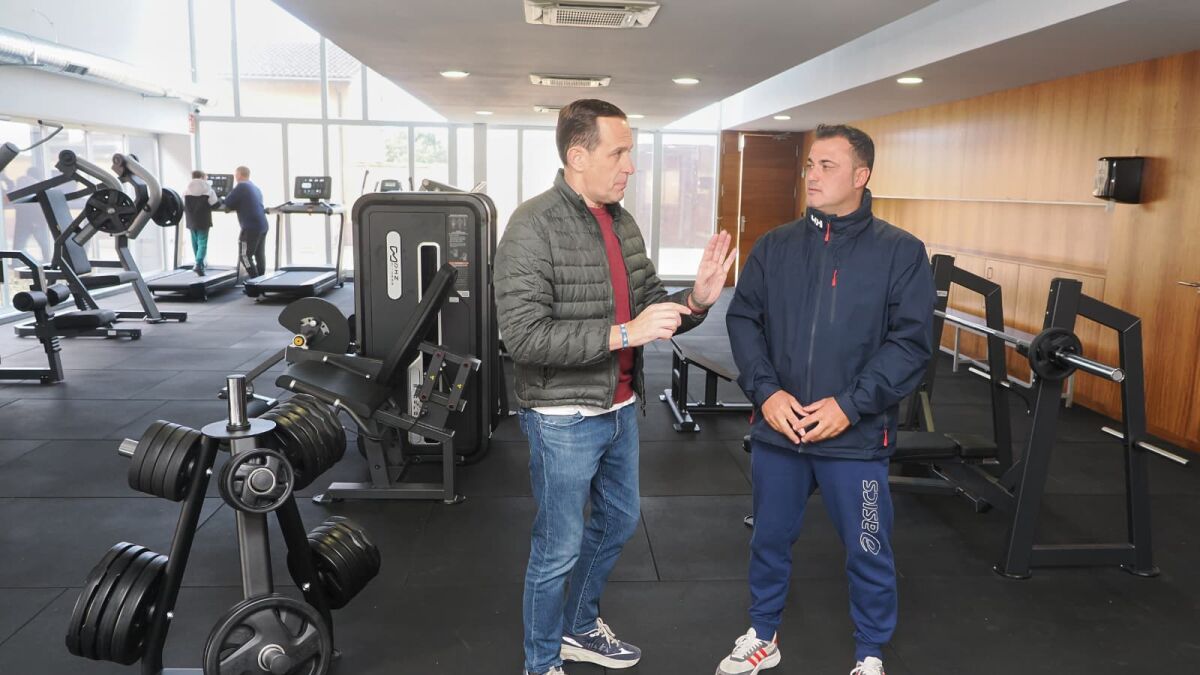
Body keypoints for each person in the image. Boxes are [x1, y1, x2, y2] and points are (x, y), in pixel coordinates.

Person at [495, 98, 735, 675]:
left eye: (631, 152)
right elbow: (523, 337)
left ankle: (578, 627)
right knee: (558, 546)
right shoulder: (532, 225)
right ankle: (540, 662)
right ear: (578, 156)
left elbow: (651, 304)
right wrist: (624, 333)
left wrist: (697, 299)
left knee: (620, 521)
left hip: (620, 406)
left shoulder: (621, 221)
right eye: (619, 153)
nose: (631, 166)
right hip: (562, 416)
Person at [716, 124, 935, 675]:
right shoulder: (776, 246)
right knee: (768, 538)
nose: (812, 175)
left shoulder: (901, 252)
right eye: (810, 165)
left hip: (855, 437)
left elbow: (910, 345)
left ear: (861, 175)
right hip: (781, 430)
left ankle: (870, 653)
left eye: (827, 166)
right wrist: (766, 392)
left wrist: (851, 405)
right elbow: (743, 320)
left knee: (868, 546)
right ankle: (763, 634)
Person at [221, 165, 269, 278]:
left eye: (236, 175)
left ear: (238, 175)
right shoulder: (255, 187)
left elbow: (227, 202)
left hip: (250, 228)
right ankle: (261, 279)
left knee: (244, 256)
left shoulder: (241, 186)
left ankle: (254, 278)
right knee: (259, 254)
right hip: (262, 225)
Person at [3, 167, 53, 261]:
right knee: (44, 244)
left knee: (19, 245)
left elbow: (10, 197)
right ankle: (48, 261)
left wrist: (7, 180)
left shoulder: (21, 183)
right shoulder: (38, 185)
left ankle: (16, 263)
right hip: (36, 220)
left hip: (23, 219)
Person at [183, 170, 220, 275]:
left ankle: (198, 264)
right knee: (202, 242)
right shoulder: (207, 188)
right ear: (203, 177)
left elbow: (182, 203)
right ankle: (199, 264)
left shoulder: (186, 189)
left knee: (195, 242)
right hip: (203, 219)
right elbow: (215, 204)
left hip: (191, 219)